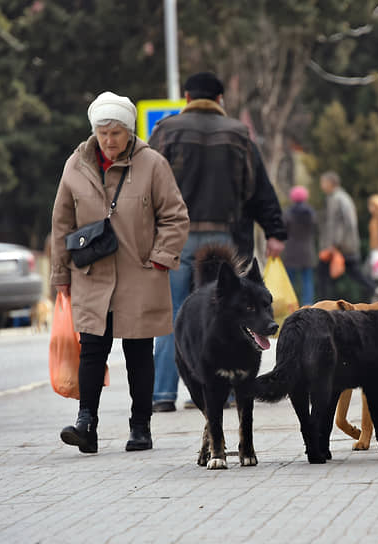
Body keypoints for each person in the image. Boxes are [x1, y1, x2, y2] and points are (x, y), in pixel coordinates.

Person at [50, 91, 189, 454]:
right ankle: (86, 424)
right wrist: (60, 275)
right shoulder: (75, 165)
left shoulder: (153, 164)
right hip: (91, 275)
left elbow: (175, 217)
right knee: (92, 349)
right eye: (102, 133)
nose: (108, 141)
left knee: (138, 352)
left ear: (129, 131)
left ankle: (140, 427)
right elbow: (61, 222)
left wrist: (160, 257)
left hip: (139, 275)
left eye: (115, 133)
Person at [148, 72, 287, 412]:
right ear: (220, 100)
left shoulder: (165, 132)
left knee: (174, 315)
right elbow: (259, 190)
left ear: (186, 97)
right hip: (225, 239)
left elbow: (145, 187)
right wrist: (275, 232)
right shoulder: (239, 135)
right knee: (223, 314)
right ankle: (222, 390)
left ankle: (163, 395)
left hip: (174, 238)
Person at [316, 171, 378, 302]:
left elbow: (341, 222)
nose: (321, 185)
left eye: (323, 182)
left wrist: (335, 243)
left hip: (340, 245)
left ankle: (323, 304)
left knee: (323, 272)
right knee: (353, 272)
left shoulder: (337, 198)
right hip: (345, 244)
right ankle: (375, 289)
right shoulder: (339, 197)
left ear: (330, 183)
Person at [282, 185, 316, 306]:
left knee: (289, 281)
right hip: (307, 251)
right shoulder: (311, 213)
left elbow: (283, 231)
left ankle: (290, 304)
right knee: (307, 281)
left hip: (291, 251)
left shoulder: (288, 213)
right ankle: (308, 304)